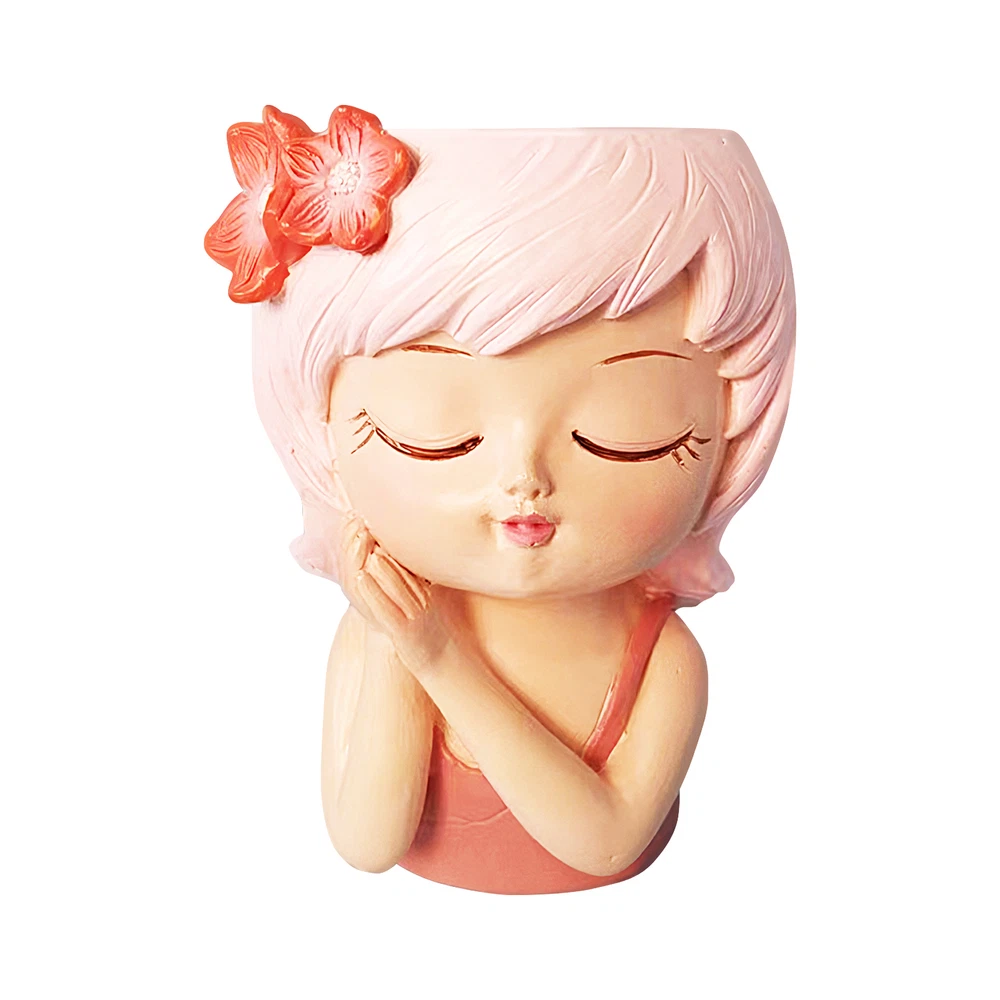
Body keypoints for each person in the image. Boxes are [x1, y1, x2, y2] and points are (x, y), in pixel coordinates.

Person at [209, 109, 795, 893]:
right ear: (320, 438)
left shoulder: (660, 657)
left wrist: (437, 655)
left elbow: (607, 842)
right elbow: (367, 840)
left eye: (623, 435)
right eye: (434, 435)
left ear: (731, 430)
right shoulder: (380, 628)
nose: (524, 478)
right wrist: (391, 632)